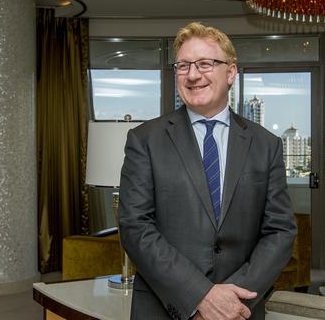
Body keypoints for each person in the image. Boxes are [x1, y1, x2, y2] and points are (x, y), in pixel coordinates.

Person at [119, 22, 297, 320]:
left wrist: (230, 301)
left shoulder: (266, 144)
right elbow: (136, 228)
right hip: (164, 309)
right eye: (183, 65)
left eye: (205, 63)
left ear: (230, 72)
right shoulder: (144, 140)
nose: (192, 75)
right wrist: (199, 295)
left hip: (240, 310)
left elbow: (280, 232)